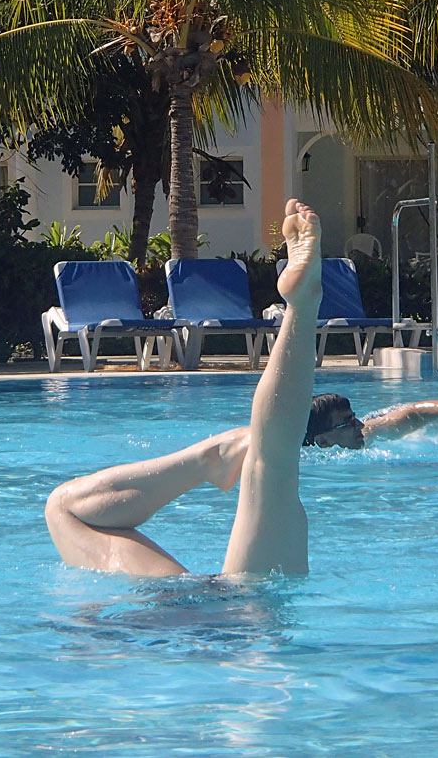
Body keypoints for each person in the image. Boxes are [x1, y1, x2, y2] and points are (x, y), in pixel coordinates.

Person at [44, 199, 323, 577]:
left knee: (272, 464)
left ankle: (302, 309)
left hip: (195, 606)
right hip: (227, 608)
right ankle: (206, 459)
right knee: (271, 464)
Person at [302, 360, 438, 449]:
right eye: (347, 423)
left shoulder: (368, 432)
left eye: (354, 417)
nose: (359, 425)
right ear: (322, 441)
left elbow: (415, 413)